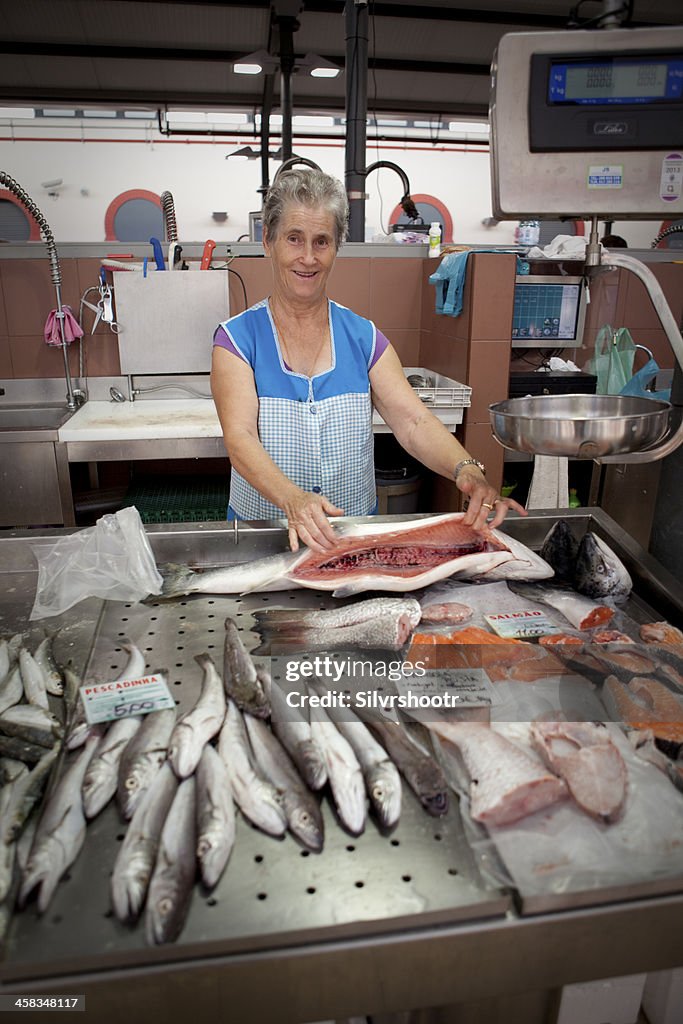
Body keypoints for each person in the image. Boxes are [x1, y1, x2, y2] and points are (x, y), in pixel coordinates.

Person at [211, 168, 525, 553]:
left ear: (336, 248)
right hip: (265, 538)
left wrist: (468, 471)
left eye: (322, 241)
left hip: (353, 537)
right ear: (268, 242)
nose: (308, 257)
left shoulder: (363, 337)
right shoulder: (237, 340)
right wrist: (292, 499)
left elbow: (412, 421)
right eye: (294, 239)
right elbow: (240, 437)